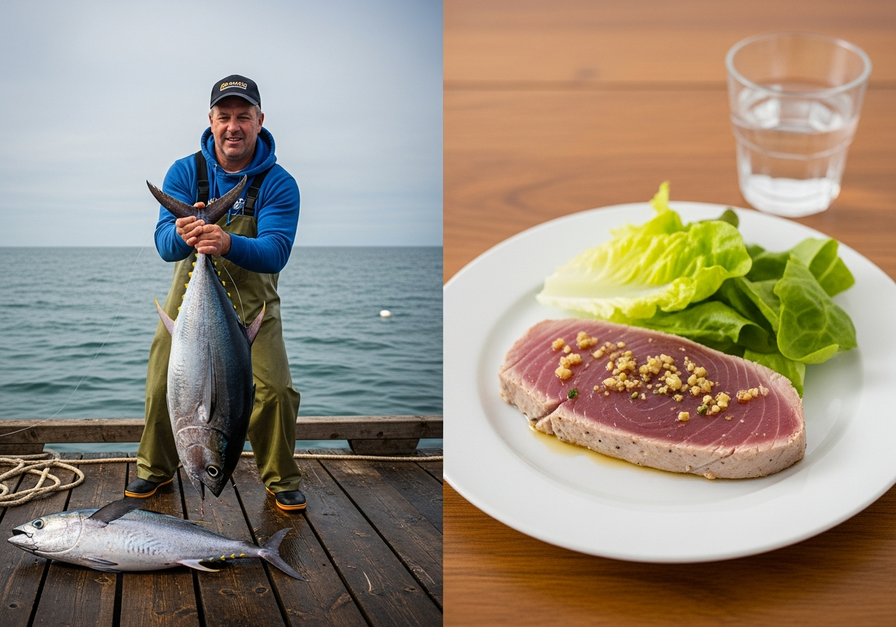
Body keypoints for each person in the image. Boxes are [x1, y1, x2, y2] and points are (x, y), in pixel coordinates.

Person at [127, 75, 305, 512]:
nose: (233, 126)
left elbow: (275, 251)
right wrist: (184, 233)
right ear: (211, 120)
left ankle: (280, 477)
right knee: (159, 387)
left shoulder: (279, 183)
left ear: (259, 121)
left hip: (255, 307)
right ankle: (154, 468)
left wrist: (227, 242)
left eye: (243, 116)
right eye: (224, 116)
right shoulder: (186, 171)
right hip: (190, 297)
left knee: (276, 390)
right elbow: (164, 246)